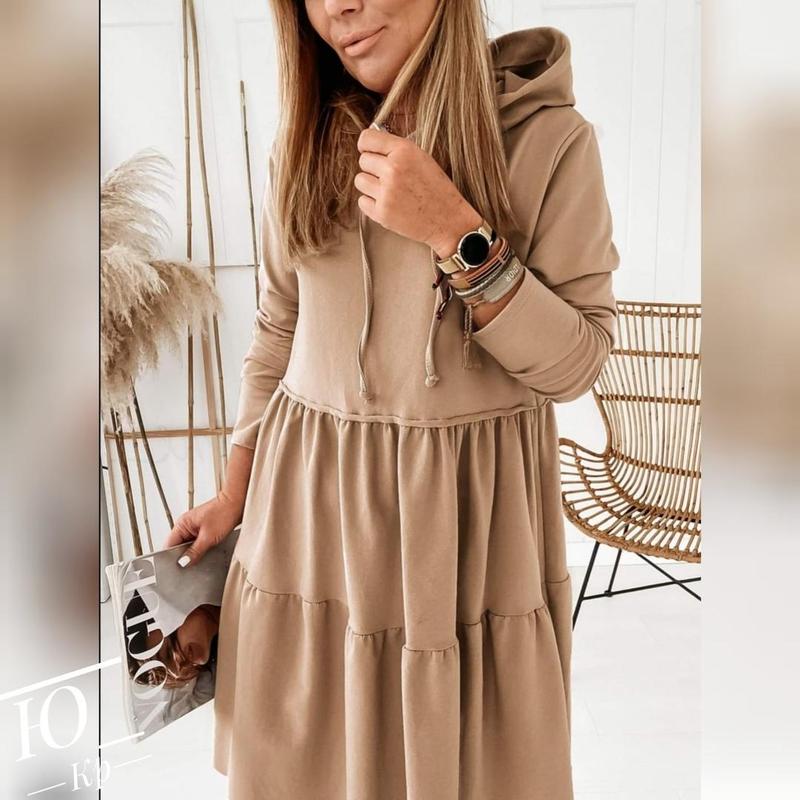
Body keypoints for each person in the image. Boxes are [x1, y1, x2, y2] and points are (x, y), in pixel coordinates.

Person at [166, 2, 619, 797]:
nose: (338, 7)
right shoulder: (305, 140)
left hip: (467, 539)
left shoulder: (549, 140)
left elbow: (575, 365)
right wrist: (235, 492)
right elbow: (279, 328)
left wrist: (459, 235)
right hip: (309, 521)